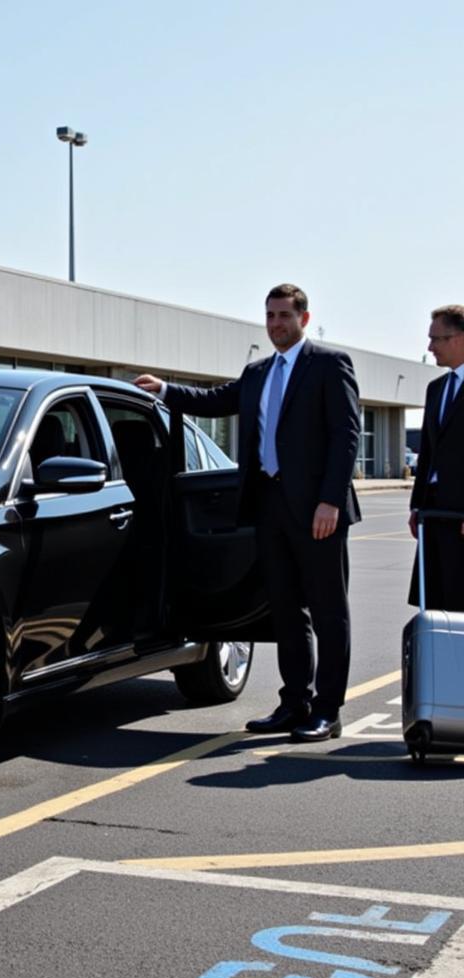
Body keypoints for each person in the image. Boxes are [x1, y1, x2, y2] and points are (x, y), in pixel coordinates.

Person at [135, 284, 361, 741]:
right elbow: (218, 399)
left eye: (283, 316)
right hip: (270, 506)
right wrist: (166, 390)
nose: (276, 324)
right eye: (270, 316)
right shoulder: (257, 372)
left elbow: (347, 436)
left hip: (319, 509)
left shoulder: (329, 365)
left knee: (327, 612)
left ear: (304, 317)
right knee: (285, 612)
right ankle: (294, 703)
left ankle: (328, 711)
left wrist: (330, 500)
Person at [408, 305, 464, 611]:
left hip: (460, 511)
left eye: (437, 339)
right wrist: (416, 505)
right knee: (436, 598)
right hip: (434, 509)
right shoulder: (436, 389)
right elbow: (428, 451)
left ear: (459, 338)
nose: (430, 347)